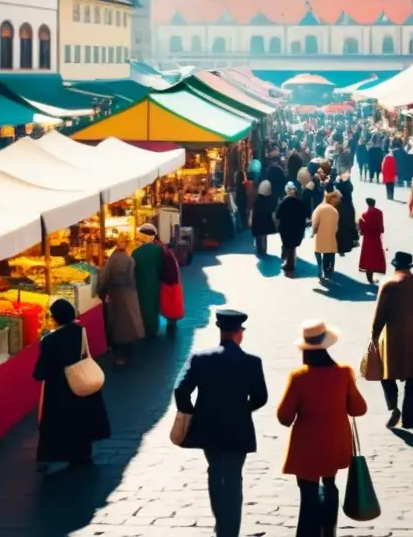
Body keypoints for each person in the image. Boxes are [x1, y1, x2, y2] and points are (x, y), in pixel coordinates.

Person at [174, 310, 268, 537]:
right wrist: (242, 410)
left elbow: (180, 389)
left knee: (216, 473)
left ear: (221, 331)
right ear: (239, 334)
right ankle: (228, 531)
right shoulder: (251, 362)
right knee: (233, 478)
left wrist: (191, 412)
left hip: (208, 428)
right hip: (238, 429)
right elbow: (260, 397)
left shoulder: (200, 358)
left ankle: (222, 522)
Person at [277, 321, 368, 537]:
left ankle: (307, 532)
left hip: (306, 445)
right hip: (335, 442)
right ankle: (328, 530)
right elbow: (359, 408)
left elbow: (284, 416)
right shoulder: (344, 373)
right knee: (330, 484)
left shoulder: (299, 377)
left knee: (308, 491)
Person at [33, 299, 111, 469]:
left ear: (55, 318)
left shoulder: (50, 341)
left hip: (60, 387)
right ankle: (82, 453)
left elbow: (42, 369)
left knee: (59, 424)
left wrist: (38, 374)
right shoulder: (79, 331)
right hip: (79, 380)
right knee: (80, 420)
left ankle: (53, 456)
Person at [371, 251, 413, 429]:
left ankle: (393, 407)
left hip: (391, 336)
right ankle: (410, 420)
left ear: (395, 266)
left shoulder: (388, 285)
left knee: (386, 373)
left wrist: (374, 336)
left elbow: (379, 315)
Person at [97, 235, 145, 365]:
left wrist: (101, 292)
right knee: (130, 323)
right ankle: (129, 353)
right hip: (129, 294)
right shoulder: (130, 259)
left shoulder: (112, 260)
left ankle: (119, 357)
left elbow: (104, 278)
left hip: (116, 295)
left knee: (117, 324)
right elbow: (132, 278)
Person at [132, 223, 164, 339]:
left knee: (143, 306)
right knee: (153, 306)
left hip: (140, 284)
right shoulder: (158, 250)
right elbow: (161, 267)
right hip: (154, 283)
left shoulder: (136, 252)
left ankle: (144, 328)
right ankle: (153, 329)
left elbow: (133, 271)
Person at [276, 181, 309, 277]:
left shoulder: (284, 202)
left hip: (286, 228)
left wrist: (278, 227)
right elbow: (304, 216)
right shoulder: (299, 202)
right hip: (296, 229)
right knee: (292, 247)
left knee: (289, 246)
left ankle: (289, 266)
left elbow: (278, 216)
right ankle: (290, 265)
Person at [311, 191, 340, 282]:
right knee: (330, 253)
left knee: (318, 252)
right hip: (331, 235)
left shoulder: (319, 209)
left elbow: (315, 223)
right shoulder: (335, 211)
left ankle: (319, 269)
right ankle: (328, 271)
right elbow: (336, 226)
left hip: (320, 235)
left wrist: (314, 232)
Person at [357, 197, 386, 284]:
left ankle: (369, 278)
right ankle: (373, 275)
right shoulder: (379, 212)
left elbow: (361, 228)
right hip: (376, 238)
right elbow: (381, 227)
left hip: (367, 238)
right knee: (375, 256)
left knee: (367, 257)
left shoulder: (364, 214)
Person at [251, 180, 278, 256]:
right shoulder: (272, 198)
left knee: (258, 236)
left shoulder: (258, 198)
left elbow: (254, 209)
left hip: (258, 221)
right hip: (267, 221)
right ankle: (264, 249)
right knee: (265, 235)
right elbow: (273, 210)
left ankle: (259, 249)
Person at [334, 173, 357, 256]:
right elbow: (350, 188)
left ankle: (339, 246)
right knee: (349, 225)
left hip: (339, 207)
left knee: (339, 227)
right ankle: (350, 242)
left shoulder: (337, 184)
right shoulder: (348, 185)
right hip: (348, 207)